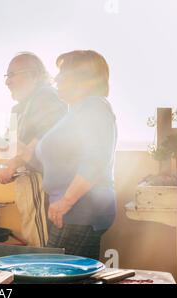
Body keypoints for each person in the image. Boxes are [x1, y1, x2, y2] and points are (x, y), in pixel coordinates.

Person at [36, 50, 117, 259]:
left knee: (53, 276)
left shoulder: (93, 107)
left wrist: (66, 202)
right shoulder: (77, 111)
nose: (56, 78)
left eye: (62, 72)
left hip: (79, 210)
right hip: (74, 210)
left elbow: (96, 160)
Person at [0, 52, 67, 247]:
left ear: (34, 75)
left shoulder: (46, 96)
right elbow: (10, 142)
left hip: (40, 181)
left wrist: (14, 163)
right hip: (27, 183)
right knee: (34, 239)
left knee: (41, 246)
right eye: (6, 76)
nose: (7, 82)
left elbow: (46, 134)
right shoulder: (19, 107)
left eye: (12, 75)